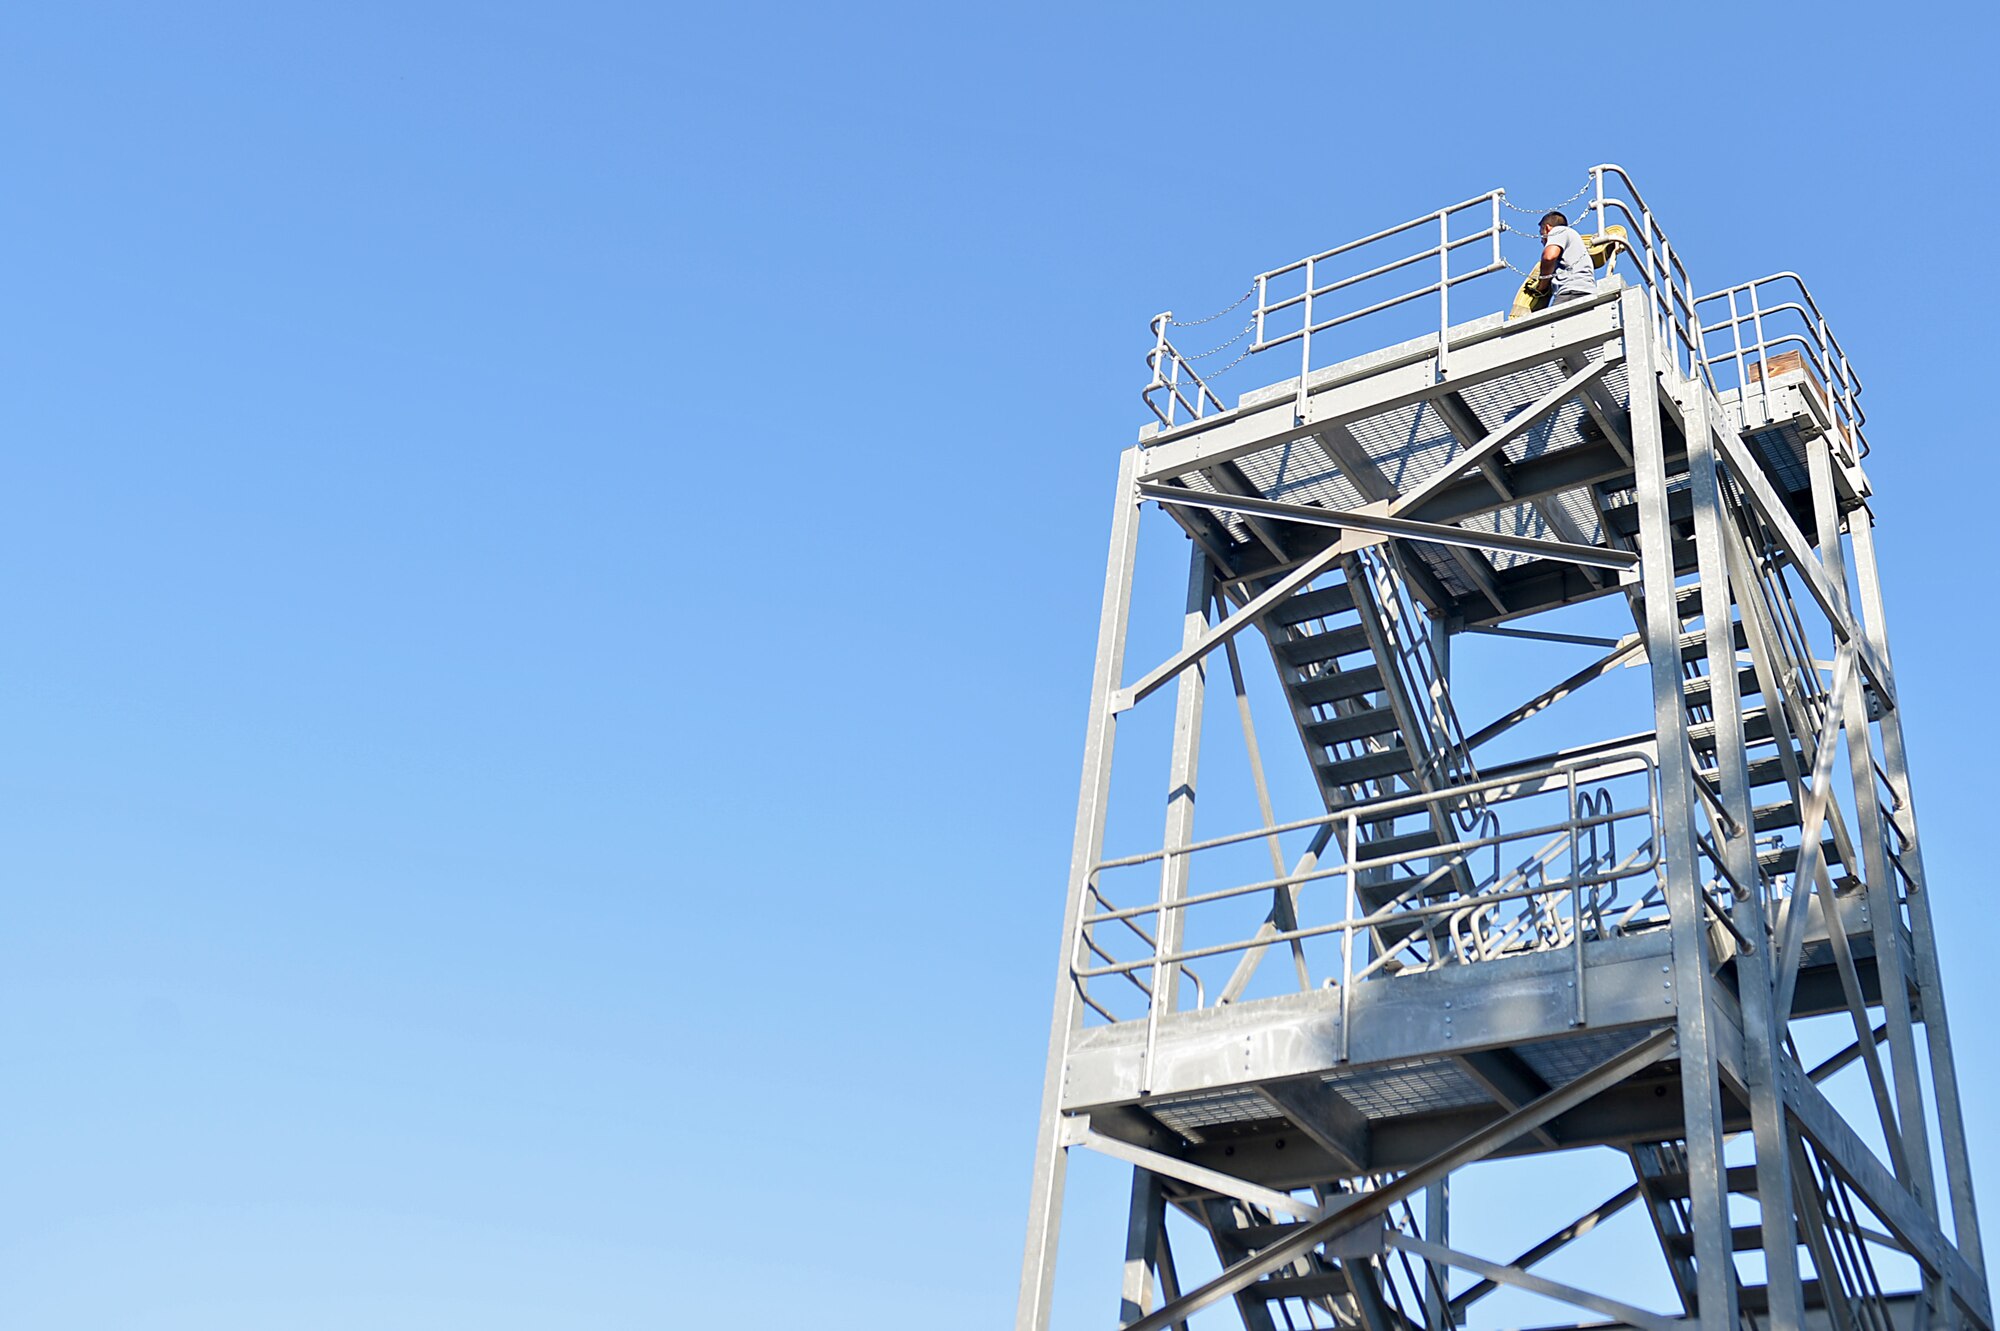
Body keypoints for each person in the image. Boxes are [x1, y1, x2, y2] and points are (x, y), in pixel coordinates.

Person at [1529, 210, 1598, 307]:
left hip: (1571, 293)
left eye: (1542, 234)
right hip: (1585, 292)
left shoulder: (1559, 231)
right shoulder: (1575, 246)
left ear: (1547, 228)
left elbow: (1549, 257)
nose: (1542, 241)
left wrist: (1542, 286)